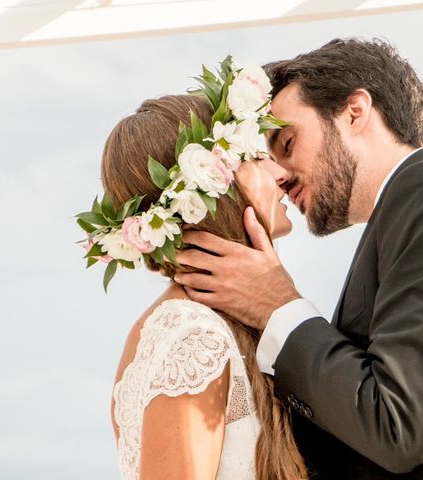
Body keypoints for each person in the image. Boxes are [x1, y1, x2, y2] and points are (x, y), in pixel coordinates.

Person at [174, 38, 423, 479]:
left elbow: (397, 427)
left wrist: (278, 305)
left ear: (355, 111)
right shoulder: (409, 212)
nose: (280, 173)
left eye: (288, 143)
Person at [100, 94, 308, 479]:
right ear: (212, 184)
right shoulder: (193, 335)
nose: (279, 173)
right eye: (252, 156)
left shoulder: (193, 323)